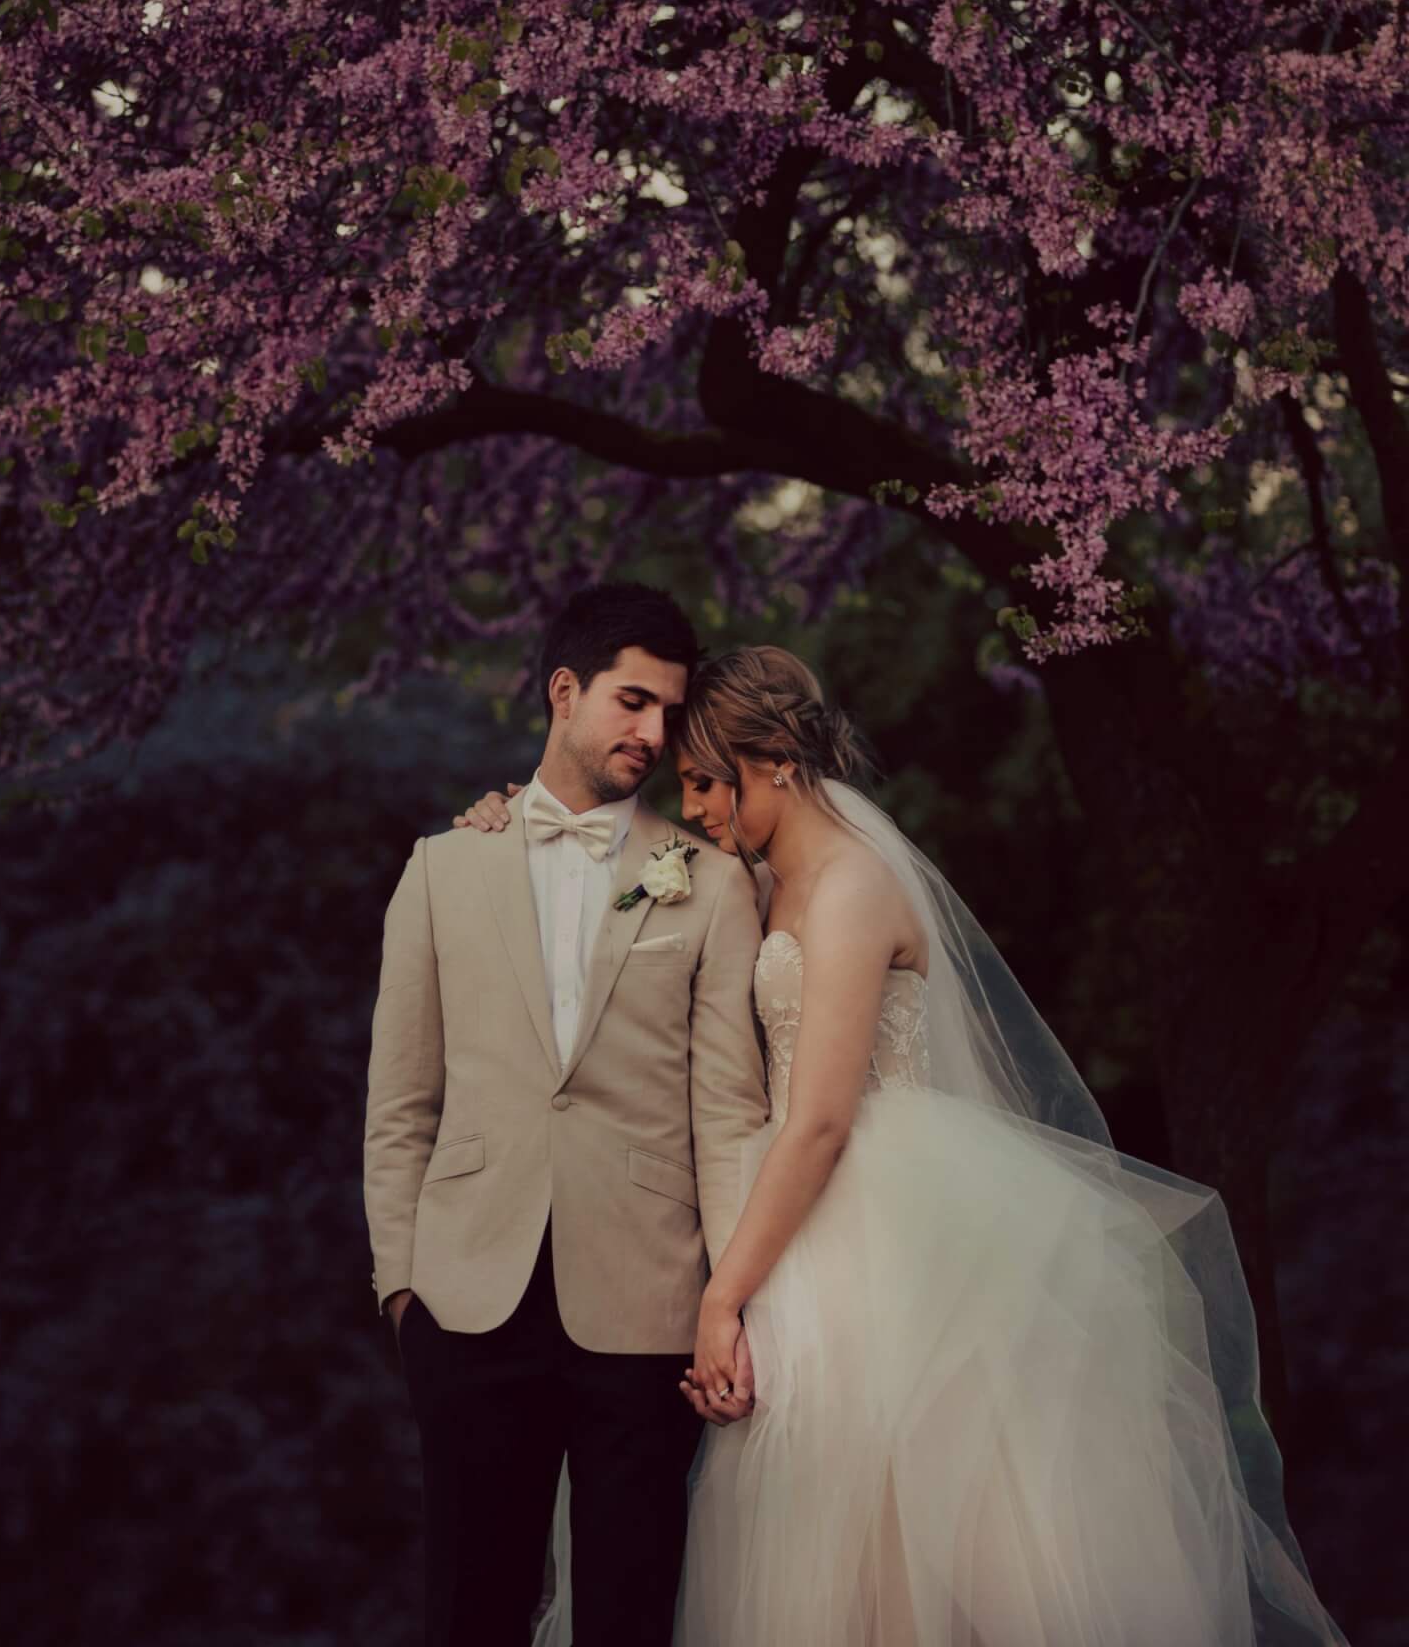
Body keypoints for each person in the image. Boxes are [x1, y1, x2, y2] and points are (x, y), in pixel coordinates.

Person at [459, 643, 1350, 1647]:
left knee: (891, 1522)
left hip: (872, 1223)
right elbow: (621, 924)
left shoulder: (848, 888)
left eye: (709, 782)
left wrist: (724, 1295)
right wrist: (519, 836)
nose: (698, 807)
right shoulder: (761, 877)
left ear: (777, 764)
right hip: (786, 1204)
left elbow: (826, 1118)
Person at [363, 583, 767, 1647]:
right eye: (633, 701)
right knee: (471, 1607)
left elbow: (725, 1113)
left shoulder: (710, 885)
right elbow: (399, 1106)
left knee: (631, 1612)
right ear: (563, 690)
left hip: (645, 1303)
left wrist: (726, 1299)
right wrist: (403, 1285)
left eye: (670, 713)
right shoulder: (442, 869)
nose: (653, 731)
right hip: (466, 1302)